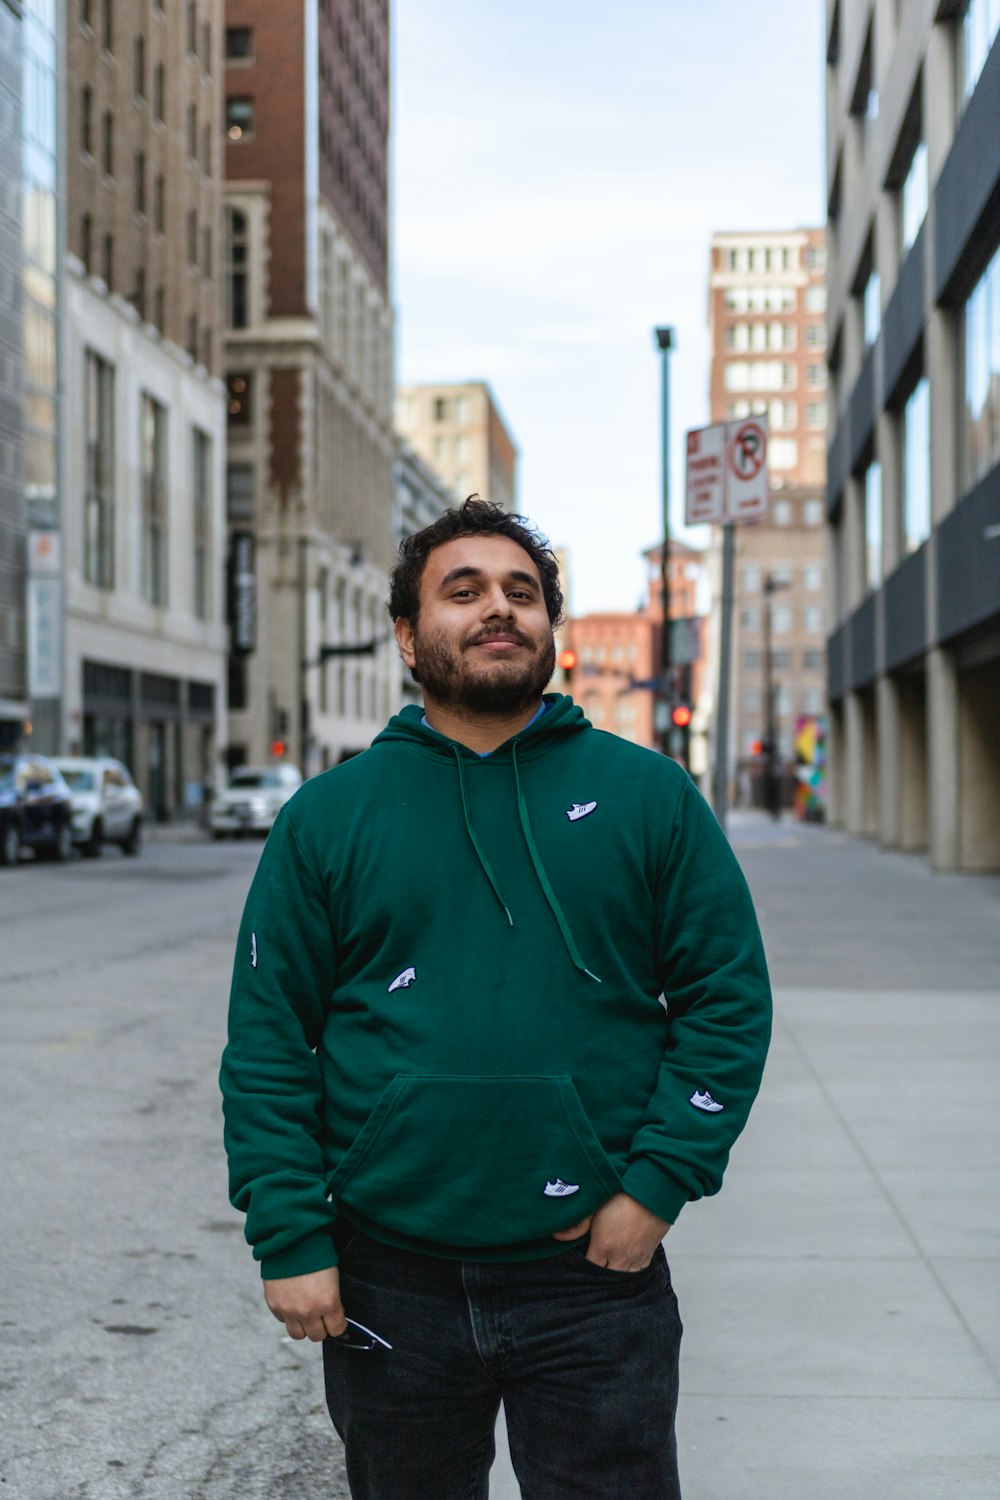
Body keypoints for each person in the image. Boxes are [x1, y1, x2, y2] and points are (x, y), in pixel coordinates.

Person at [221, 496, 772, 1500]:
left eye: (523, 593)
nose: (498, 609)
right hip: (388, 1272)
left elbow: (725, 1004)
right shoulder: (328, 818)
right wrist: (290, 1234)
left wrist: (655, 1186)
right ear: (406, 633)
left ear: (550, 629)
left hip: (594, 1279)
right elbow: (267, 1040)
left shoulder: (648, 798)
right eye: (462, 590)